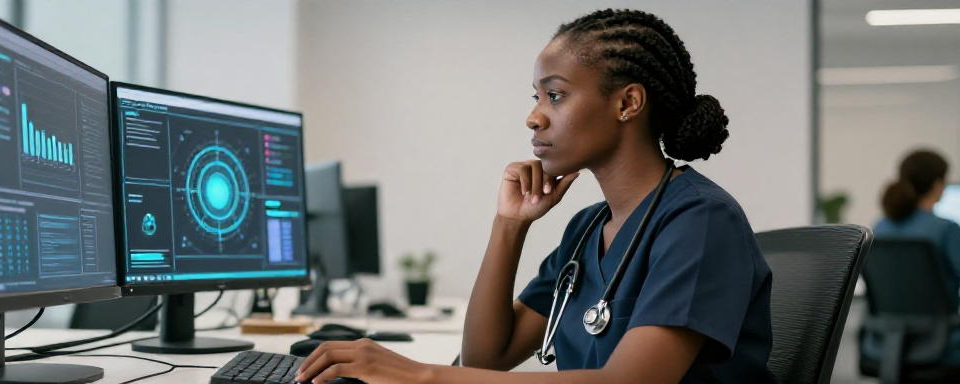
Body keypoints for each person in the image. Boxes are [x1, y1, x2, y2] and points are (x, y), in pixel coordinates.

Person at [293, 8, 776, 384]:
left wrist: (416, 374)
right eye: (536, 97)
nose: (534, 117)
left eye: (556, 95)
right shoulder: (588, 228)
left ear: (628, 103)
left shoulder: (701, 220)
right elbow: (488, 357)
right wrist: (510, 225)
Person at [867, 149, 960, 382]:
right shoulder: (946, 229)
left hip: (888, 344)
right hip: (943, 346)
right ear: (938, 184)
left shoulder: (880, 227)